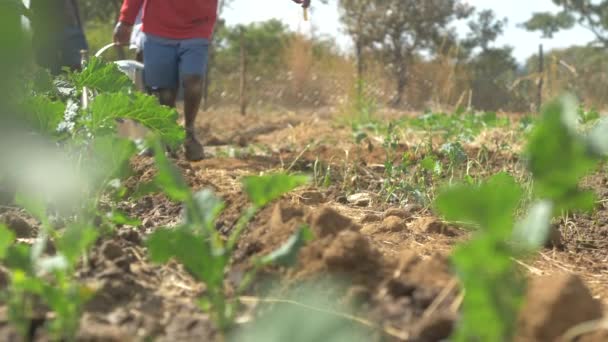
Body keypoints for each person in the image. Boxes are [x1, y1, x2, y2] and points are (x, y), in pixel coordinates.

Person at [113, 0, 312, 161]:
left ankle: (189, 132)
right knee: (165, 92)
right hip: (158, 29)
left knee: (193, 80)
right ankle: (166, 137)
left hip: (197, 29)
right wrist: (126, 21)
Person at [29, 0, 88, 75]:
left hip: (66, 29)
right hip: (46, 32)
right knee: (48, 71)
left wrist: (79, 28)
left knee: (76, 69)